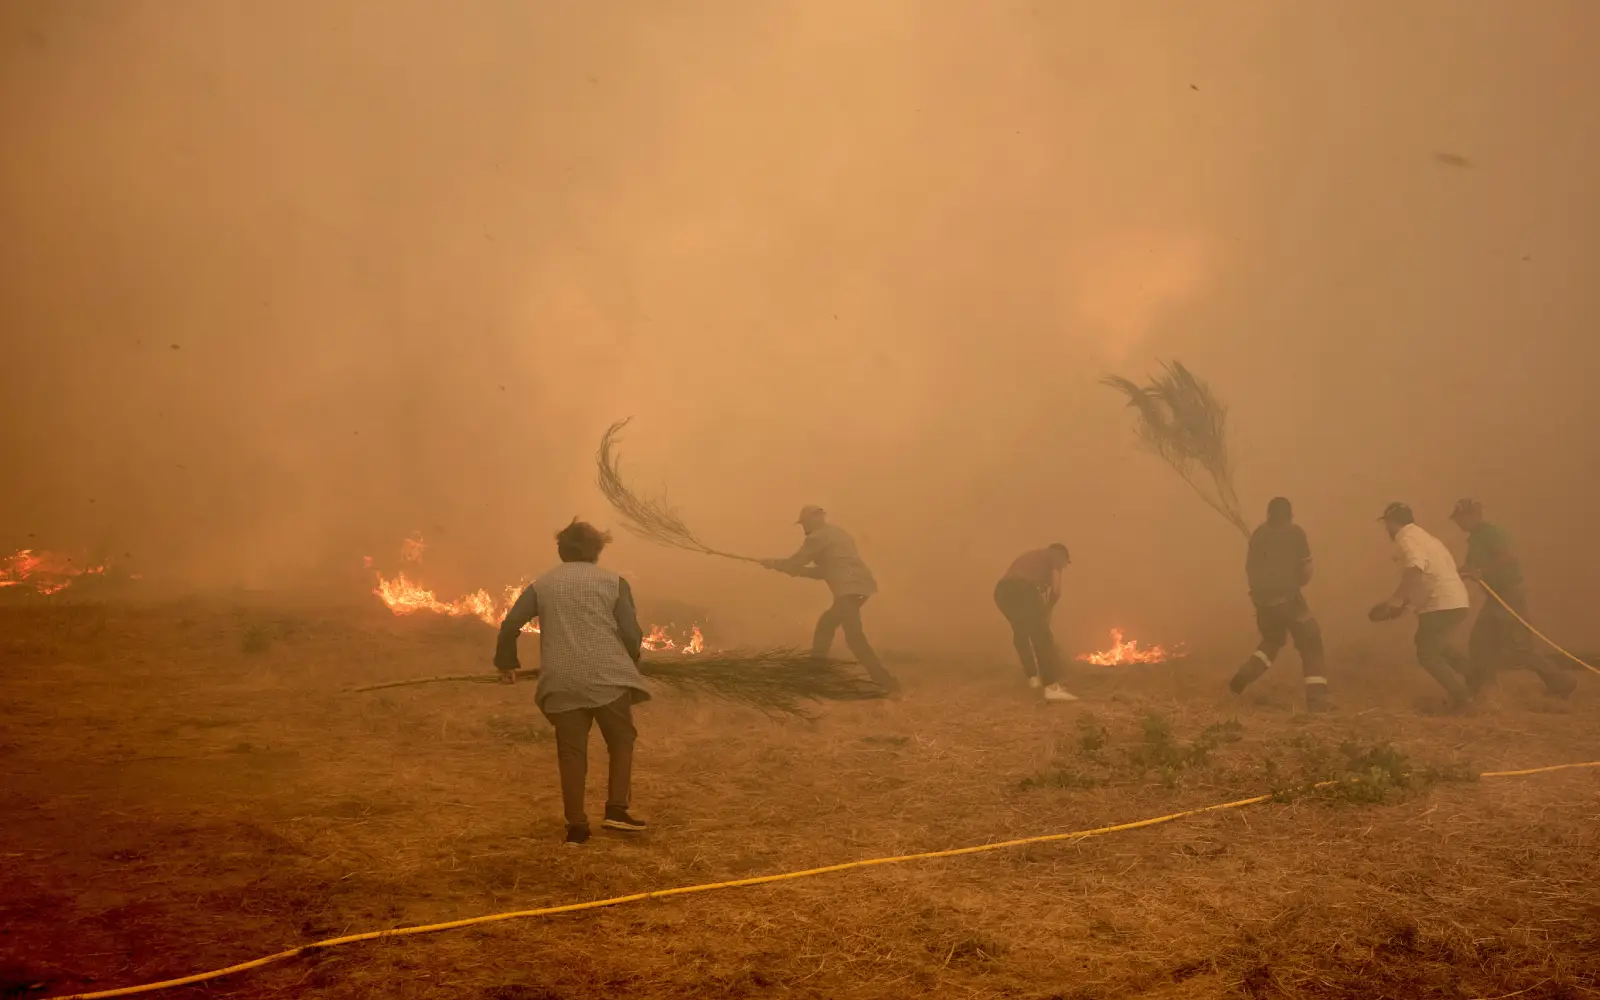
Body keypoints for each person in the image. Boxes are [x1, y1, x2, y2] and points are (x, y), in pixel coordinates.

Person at [495, 519, 650, 846]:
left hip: (561, 681)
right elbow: (631, 634)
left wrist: (506, 663)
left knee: (571, 753)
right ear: (597, 550)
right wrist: (631, 661)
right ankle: (616, 810)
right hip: (609, 679)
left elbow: (510, 625)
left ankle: (576, 827)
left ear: (562, 551)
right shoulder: (614, 583)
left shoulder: (543, 585)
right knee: (621, 740)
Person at [761, 506, 900, 693]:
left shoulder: (816, 538)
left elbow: (794, 564)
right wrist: (785, 567)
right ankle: (816, 675)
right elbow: (823, 572)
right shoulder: (838, 533)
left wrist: (773, 564)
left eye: (804, 523)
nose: (803, 528)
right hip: (862, 588)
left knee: (853, 637)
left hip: (848, 590)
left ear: (813, 521)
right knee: (827, 625)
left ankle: (884, 680)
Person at [1449, 498, 1576, 699]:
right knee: (1480, 641)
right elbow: (1470, 568)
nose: (1458, 523)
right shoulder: (1475, 538)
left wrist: (1482, 571)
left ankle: (1560, 682)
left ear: (1473, 515)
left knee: (1519, 646)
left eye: (1460, 518)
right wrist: (1450, 575)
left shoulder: (1489, 532)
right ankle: (1483, 689)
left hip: (1509, 594)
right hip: (1496, 598)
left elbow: (1508, 557)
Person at [1371, 502, 1474, 710]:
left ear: (1391, 522)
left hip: (1442, 603)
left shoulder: (1406, 538)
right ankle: (1476, 677)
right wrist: (1405, 606)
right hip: (1454, 601)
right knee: (1433, 643)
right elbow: (1426, 576)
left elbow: (1415, 567)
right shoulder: (1425, 537)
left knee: (1427, 653)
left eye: (1387, 524)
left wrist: (1397, 599)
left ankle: (1463, 698)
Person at [1229, 497, 1328, 712]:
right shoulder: (1295, 533)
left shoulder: (1258, 534)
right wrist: (1296, 584)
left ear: (1269, 515)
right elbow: (1306, 570)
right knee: (1311, 642)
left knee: (1271, 642)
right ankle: (1317, 702)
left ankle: (1243, 676)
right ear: (1290, 515)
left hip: (1262, 603)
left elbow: (1250, 569)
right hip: (1290, 601)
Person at [993, 543, 1079, 702]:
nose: (1064, 567)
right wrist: (1047, 609)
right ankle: (1051, 686)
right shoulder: (1056, 555)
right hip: (1022, 590)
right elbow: (1056, 590)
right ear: (1063, 556)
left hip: (1002, 592)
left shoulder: (1033, 557)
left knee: (1021, 631)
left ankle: (1033, 677)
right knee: (1042, 635)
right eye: (1065, 564)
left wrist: (1041, 611)